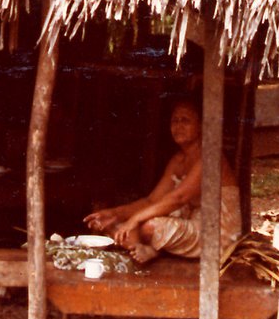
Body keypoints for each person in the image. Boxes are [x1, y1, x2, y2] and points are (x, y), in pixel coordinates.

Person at [84, 98, 241, 263]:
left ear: (201, 126)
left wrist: (134, 220)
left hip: (215, 233)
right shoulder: (178, 160)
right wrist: (115, 214)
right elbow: (151, 200)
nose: (178, 126)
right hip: (191, 224)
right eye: (175, 120)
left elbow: (179, 198)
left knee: (147, 227)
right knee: (115, 227)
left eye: (185, 120)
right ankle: (147, 249)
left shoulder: (210, 156)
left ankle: (147, 248)